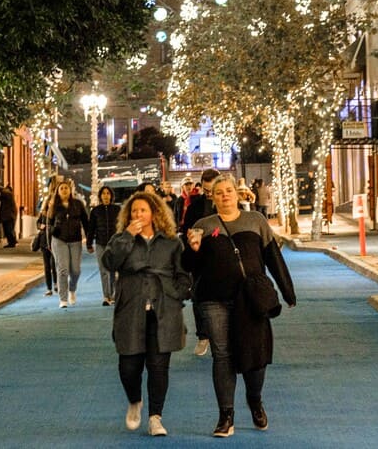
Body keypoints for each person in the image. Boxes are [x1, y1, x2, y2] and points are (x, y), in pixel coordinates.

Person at [185, 174, 296, 438]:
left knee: (255, 355)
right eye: (219, 192)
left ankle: (255, 400)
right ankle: (226, 415)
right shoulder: (203, 225)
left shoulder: (256, 221)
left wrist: (287, 291)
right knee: (222, 355)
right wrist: (192, 249)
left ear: (238, 194)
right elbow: (188, 266)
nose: (224, 195)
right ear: (212, 197)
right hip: (214, 300)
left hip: (251, 300)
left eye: (229, 191)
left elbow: (273, 257)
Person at [102, 191, 191, 437]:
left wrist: (177, 294)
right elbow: (109, 263)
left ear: (154, 213)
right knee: (128, 367)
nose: (138, 214)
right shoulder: (122, 238)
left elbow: (183, 274)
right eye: (134, 211)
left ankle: (155, 418)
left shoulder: (172, 241)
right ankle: (134, 400)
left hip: (164, 309)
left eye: (143, 210)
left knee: (158, 367)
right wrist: (127, 236)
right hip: (131, 308)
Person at [181, 167, 220, 356]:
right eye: (206, 190)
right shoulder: (195, 206)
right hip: (199, 257)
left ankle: (222, 336)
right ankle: (203, 336)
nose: (210, 194)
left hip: (222, 258)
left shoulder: (227, 203)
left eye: (213, 190)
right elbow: (185, 230)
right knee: (198, 297)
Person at [48, 180, 91, 309]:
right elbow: (48, 224)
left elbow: (86, 222)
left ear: (70, 190)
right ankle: (63, 299)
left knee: (75, 270)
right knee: (63, 270)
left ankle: (72, 289)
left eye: (66, 188)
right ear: (58, 192)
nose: (64, 190)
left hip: (75, 240)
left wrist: (89, 241)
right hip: (59, 240)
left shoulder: (78, 204)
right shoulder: (53, 206)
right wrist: (49, 240)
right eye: (61, 188)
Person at [88, 185, 121, 306]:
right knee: (103, 270)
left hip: (114, 244)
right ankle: (106, 296)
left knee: (113, 270)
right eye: (103, 193)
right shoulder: (95, 211)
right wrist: (89, 244)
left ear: (111, 196)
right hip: (100, 243)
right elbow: (91, 228)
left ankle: (114, 295)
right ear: (100, 196)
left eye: (108, 193)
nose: (106, 196)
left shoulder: (117, 209)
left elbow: (121, 226)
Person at [36, 195, 58, 296]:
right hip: (44, 242)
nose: (50, 204)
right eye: (49, 202)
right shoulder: (43, 213)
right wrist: (40, 226)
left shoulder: (56, 214)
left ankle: (56, 284)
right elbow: (38, 223)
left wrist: (50, 228)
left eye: (52, 202)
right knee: (47, 266)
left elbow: (58, 227)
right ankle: (49, 288)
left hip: (54, 242)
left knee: (54, 264)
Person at [0, 183, 18, 248]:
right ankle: (12, 242)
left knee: (9, 229)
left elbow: (3, 193)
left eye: (6, 188)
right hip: (7, 215)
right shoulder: (7, 196)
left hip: (9, 216)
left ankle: (12, 242)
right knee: (7, 230)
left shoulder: (9, 194)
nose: (5, 189)